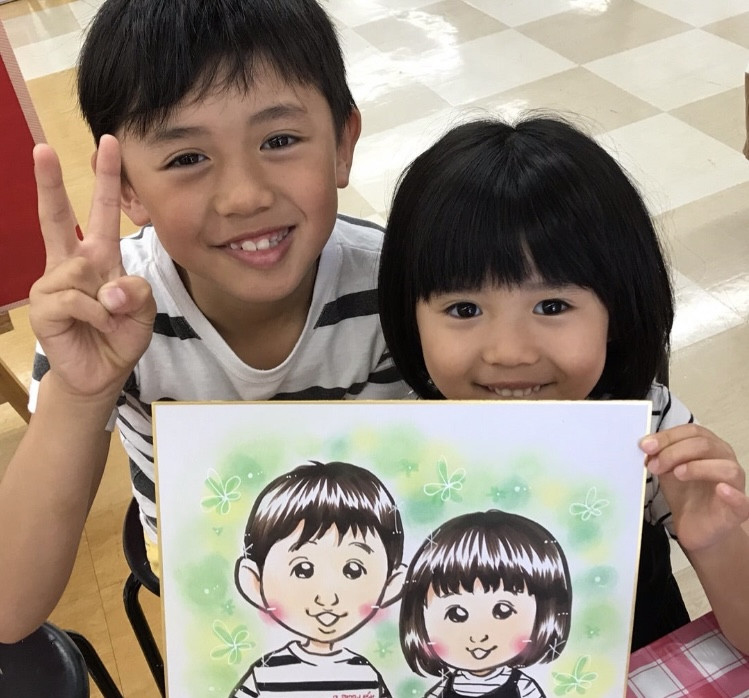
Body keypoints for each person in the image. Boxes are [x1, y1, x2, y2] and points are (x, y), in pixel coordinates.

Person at [0, 0, 409, 643]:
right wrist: (80, 393)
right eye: (187, 158)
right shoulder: (106, 313)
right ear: (128, 188)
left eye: (279, 140)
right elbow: (8, 609)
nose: (245, 195)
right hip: (211, 600)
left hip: (372, 590)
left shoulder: (397, 289)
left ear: (341, 143)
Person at [377, 116, 749, 654]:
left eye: (552, 306)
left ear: (615, 311)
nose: (509, 352)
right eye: (464, 309)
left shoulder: (650, 433)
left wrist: (717, 540)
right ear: (411, 319)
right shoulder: (398, 444)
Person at [233, 460, 406, 697]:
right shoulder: (265, 675)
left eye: (353, 570)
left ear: (390, 585)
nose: (327, 597)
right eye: (303, 569)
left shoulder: (366, 675)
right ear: (254, 582)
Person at [400, 510, 571, 698]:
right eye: (456, 614)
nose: (478, 636)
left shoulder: (524, 688)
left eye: (503, 611)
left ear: (544, 613)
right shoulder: (440, 692)